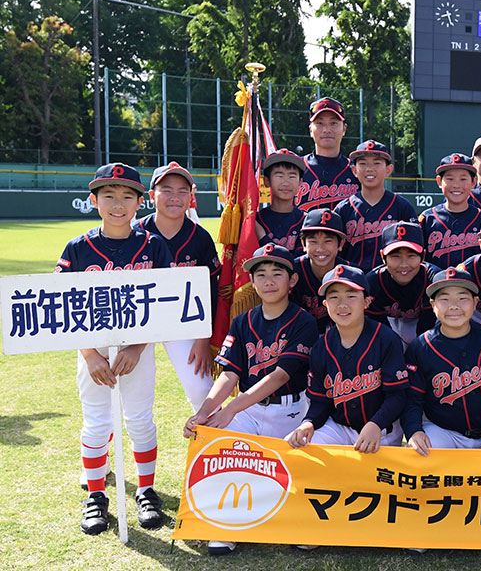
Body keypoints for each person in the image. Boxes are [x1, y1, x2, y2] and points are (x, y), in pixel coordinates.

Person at [55, 163, 173, 535]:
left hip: (137, 349)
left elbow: (167, 305)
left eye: (126, 196)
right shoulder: (77, 248)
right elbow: (60, 307)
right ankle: (96, 496)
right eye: (108, 195)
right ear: (94, 200)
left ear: (140, 202)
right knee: (97, 423)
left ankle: (146, 491)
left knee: (139, 419)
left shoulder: (153, 246)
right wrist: (91, 355)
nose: (117, 204)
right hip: (91, 348)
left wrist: (137, 347)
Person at [184, 244, 319, 555]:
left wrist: (230, 409)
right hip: (250, 408)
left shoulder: (303, 321)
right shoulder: (243, 321)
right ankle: (226, 523)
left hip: (291, 409)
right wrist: (205, 412)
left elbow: (280, 376)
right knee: (222, 451)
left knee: (294, 469)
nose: (269, 281)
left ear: (292, 280)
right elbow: (229, 374)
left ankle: (297, 522)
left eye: (277, 274)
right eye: (261, 275)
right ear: (252, 283)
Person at [285, 264, 409, 454]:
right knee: (298, 449)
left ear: (366, 302)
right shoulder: (321, 347)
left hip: (383, 428)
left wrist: (376, 424)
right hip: (339, 428)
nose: (342, 304)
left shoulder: (386, 339)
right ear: (325, 304)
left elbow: (398, 395)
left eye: (351, 296)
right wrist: (308, 422)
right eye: (334, 297)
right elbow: (320, 401)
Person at [137, 162, 220, 413]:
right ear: (152, 196)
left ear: (191, 196)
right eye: (167, 190)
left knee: (201, 389)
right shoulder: (134, 232)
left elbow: (211, 289)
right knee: (130, 395)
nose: (175, 197)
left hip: (183, 320)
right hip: (138, 319)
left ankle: (208, 437)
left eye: (182, 191)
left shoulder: (199, 236)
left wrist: (204, 339)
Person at [402, 268, 481, 456]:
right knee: (420, 454)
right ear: (432, 305)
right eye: (444, 299)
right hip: (444, 432)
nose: (454, 306)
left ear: (475, 303)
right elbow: (413, 398)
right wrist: (414, 430)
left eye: (462, 298)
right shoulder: (420, 347)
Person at [334, 140, 416, 273]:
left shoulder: (402, 207)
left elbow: (414, 250)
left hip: (390, 278)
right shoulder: (343, 209)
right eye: (363, 163)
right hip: (352, 278)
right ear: (354, 170)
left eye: (377, 163)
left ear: (388, 170)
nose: (369, 169)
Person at [366, 222, 439, 347]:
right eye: (395, 256)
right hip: (388, 324)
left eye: (411, 256)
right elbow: (380, 330)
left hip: (425, 326)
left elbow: (428, 324)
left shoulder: (432, 278)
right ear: (383, 257)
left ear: (423, 256)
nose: (404, 264)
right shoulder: (373, 282)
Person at [419, 153, 481, 268]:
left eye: (463, 179)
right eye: (450, 179)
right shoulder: (427, 219)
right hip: (435, 279)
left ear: (474, 182)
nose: (456, 185)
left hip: (475, 280)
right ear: (439, 181)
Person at [290, 209, 348, 334]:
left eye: (328, 241)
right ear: (303, 244)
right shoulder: (292, 271)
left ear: (340, 244)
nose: (320, 249)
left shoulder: (351, 274)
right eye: (313, 242)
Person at [296, 97, 357, 211]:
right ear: (310, 130)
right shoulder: (295, 168)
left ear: (344, 129)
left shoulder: (356, 171)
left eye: (333, 123)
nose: (327, 130)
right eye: (320, 123)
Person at [256, 149, 307, 256]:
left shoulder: (306, 221)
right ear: (267, 181)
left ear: (300, 182)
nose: (286, 182)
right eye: (279, 176)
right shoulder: (257, 220)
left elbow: (299, 261)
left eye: (292, 176)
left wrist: (262, 237)